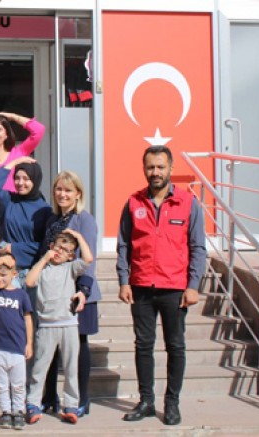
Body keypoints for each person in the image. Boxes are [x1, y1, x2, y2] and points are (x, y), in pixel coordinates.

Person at [116, 145, 206, 426]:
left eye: (160, 167)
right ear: (144, 169)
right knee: (143, 345)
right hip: (141, 286)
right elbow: (123, 245)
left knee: (175, 346)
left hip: (175, 288)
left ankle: (172, 403)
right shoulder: (133, 202)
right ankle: (146, 401)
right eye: (150, 167)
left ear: (171, 168)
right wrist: (124, 280)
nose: (155, 172)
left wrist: (193, 285)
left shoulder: (188, 203)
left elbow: (198, 247)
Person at [40, 171, 100, 418]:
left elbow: (89, 259)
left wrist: (83, 290)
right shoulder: (52, 219)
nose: (62, 194)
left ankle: (81, 399)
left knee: (79, 347)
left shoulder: (85, 220)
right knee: (50, 346)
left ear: (78, 194)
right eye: (59, 189)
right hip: (55, 294)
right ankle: (49, 397)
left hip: (78, 293)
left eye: (68, 190)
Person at [24, 230, 94, 425]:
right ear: (51, 247)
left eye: (66, 250)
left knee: (71, 367)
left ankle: (71, 405)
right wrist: (45, 259)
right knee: (40, 367)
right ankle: (33, 403)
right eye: (58, 247)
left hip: (68, 324)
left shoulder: (70, 268)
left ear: (71, 255)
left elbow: (88, 259)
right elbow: (29, 281)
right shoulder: (43, 269)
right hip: (47, 325)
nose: (60, 252)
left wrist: (79, 237)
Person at [0, 112, 45, 250]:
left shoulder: (18, 152)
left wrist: (11, 117)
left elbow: (38, 130)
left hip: (27, 214)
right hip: (5, 219)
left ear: (6, 134)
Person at [0, 253, 33, 431]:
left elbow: (28, 319)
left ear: (14, 274)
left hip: (17, 346)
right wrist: (2, 260)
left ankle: (18, 411)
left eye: (3, 274)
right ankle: (6, 411)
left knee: (18, 384)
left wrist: (29, 343)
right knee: (1, 384)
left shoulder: (21, 295)